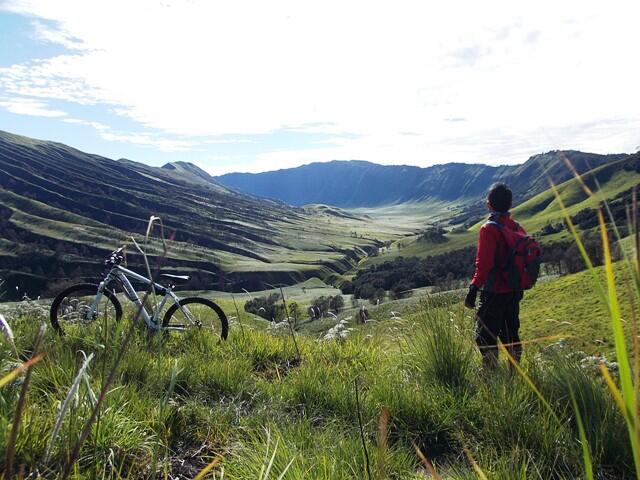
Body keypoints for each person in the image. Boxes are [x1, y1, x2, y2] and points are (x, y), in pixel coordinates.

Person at [464, 183, 525, 369]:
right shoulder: (517, 228)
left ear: (489, 204)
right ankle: (515, 374)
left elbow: (484, 265)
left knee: (485, 337)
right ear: (510, 204)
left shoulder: (488, 229)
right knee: (510, 334)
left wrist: (473, 289)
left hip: (494, 292)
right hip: (514, 291)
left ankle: (491, 376)